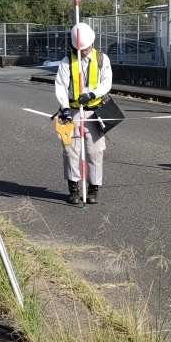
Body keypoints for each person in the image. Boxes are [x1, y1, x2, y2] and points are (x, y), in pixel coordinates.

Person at [54, 22, 112, 205]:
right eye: (81, 49)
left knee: (95, 151)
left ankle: (93, 188)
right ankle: (73, 189)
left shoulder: (102, 59)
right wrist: (64, 107)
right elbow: (61, 86)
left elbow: (107, 83)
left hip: (95, 111)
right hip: (73, 111)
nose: (84, 51)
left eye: (86, 48)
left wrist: (93, 94)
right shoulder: (67, 61)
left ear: (92, 43)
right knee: (70, 150)